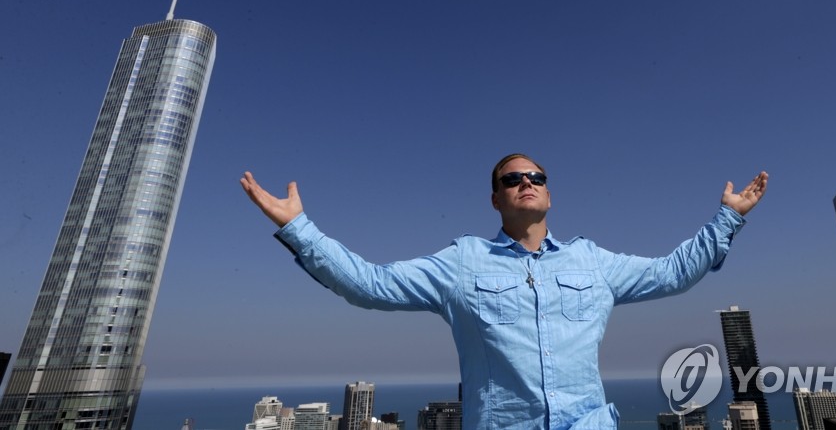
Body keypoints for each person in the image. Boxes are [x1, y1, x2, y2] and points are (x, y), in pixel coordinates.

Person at [240, 153, 768, 430]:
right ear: (495, 198)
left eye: (536, 176)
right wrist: (299, 228)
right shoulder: (462, 261)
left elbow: (673, 273)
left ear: (549, 193)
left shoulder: (592, 260)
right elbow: (369, 284)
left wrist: (727, 218)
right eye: (512, 179)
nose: (526, 182)